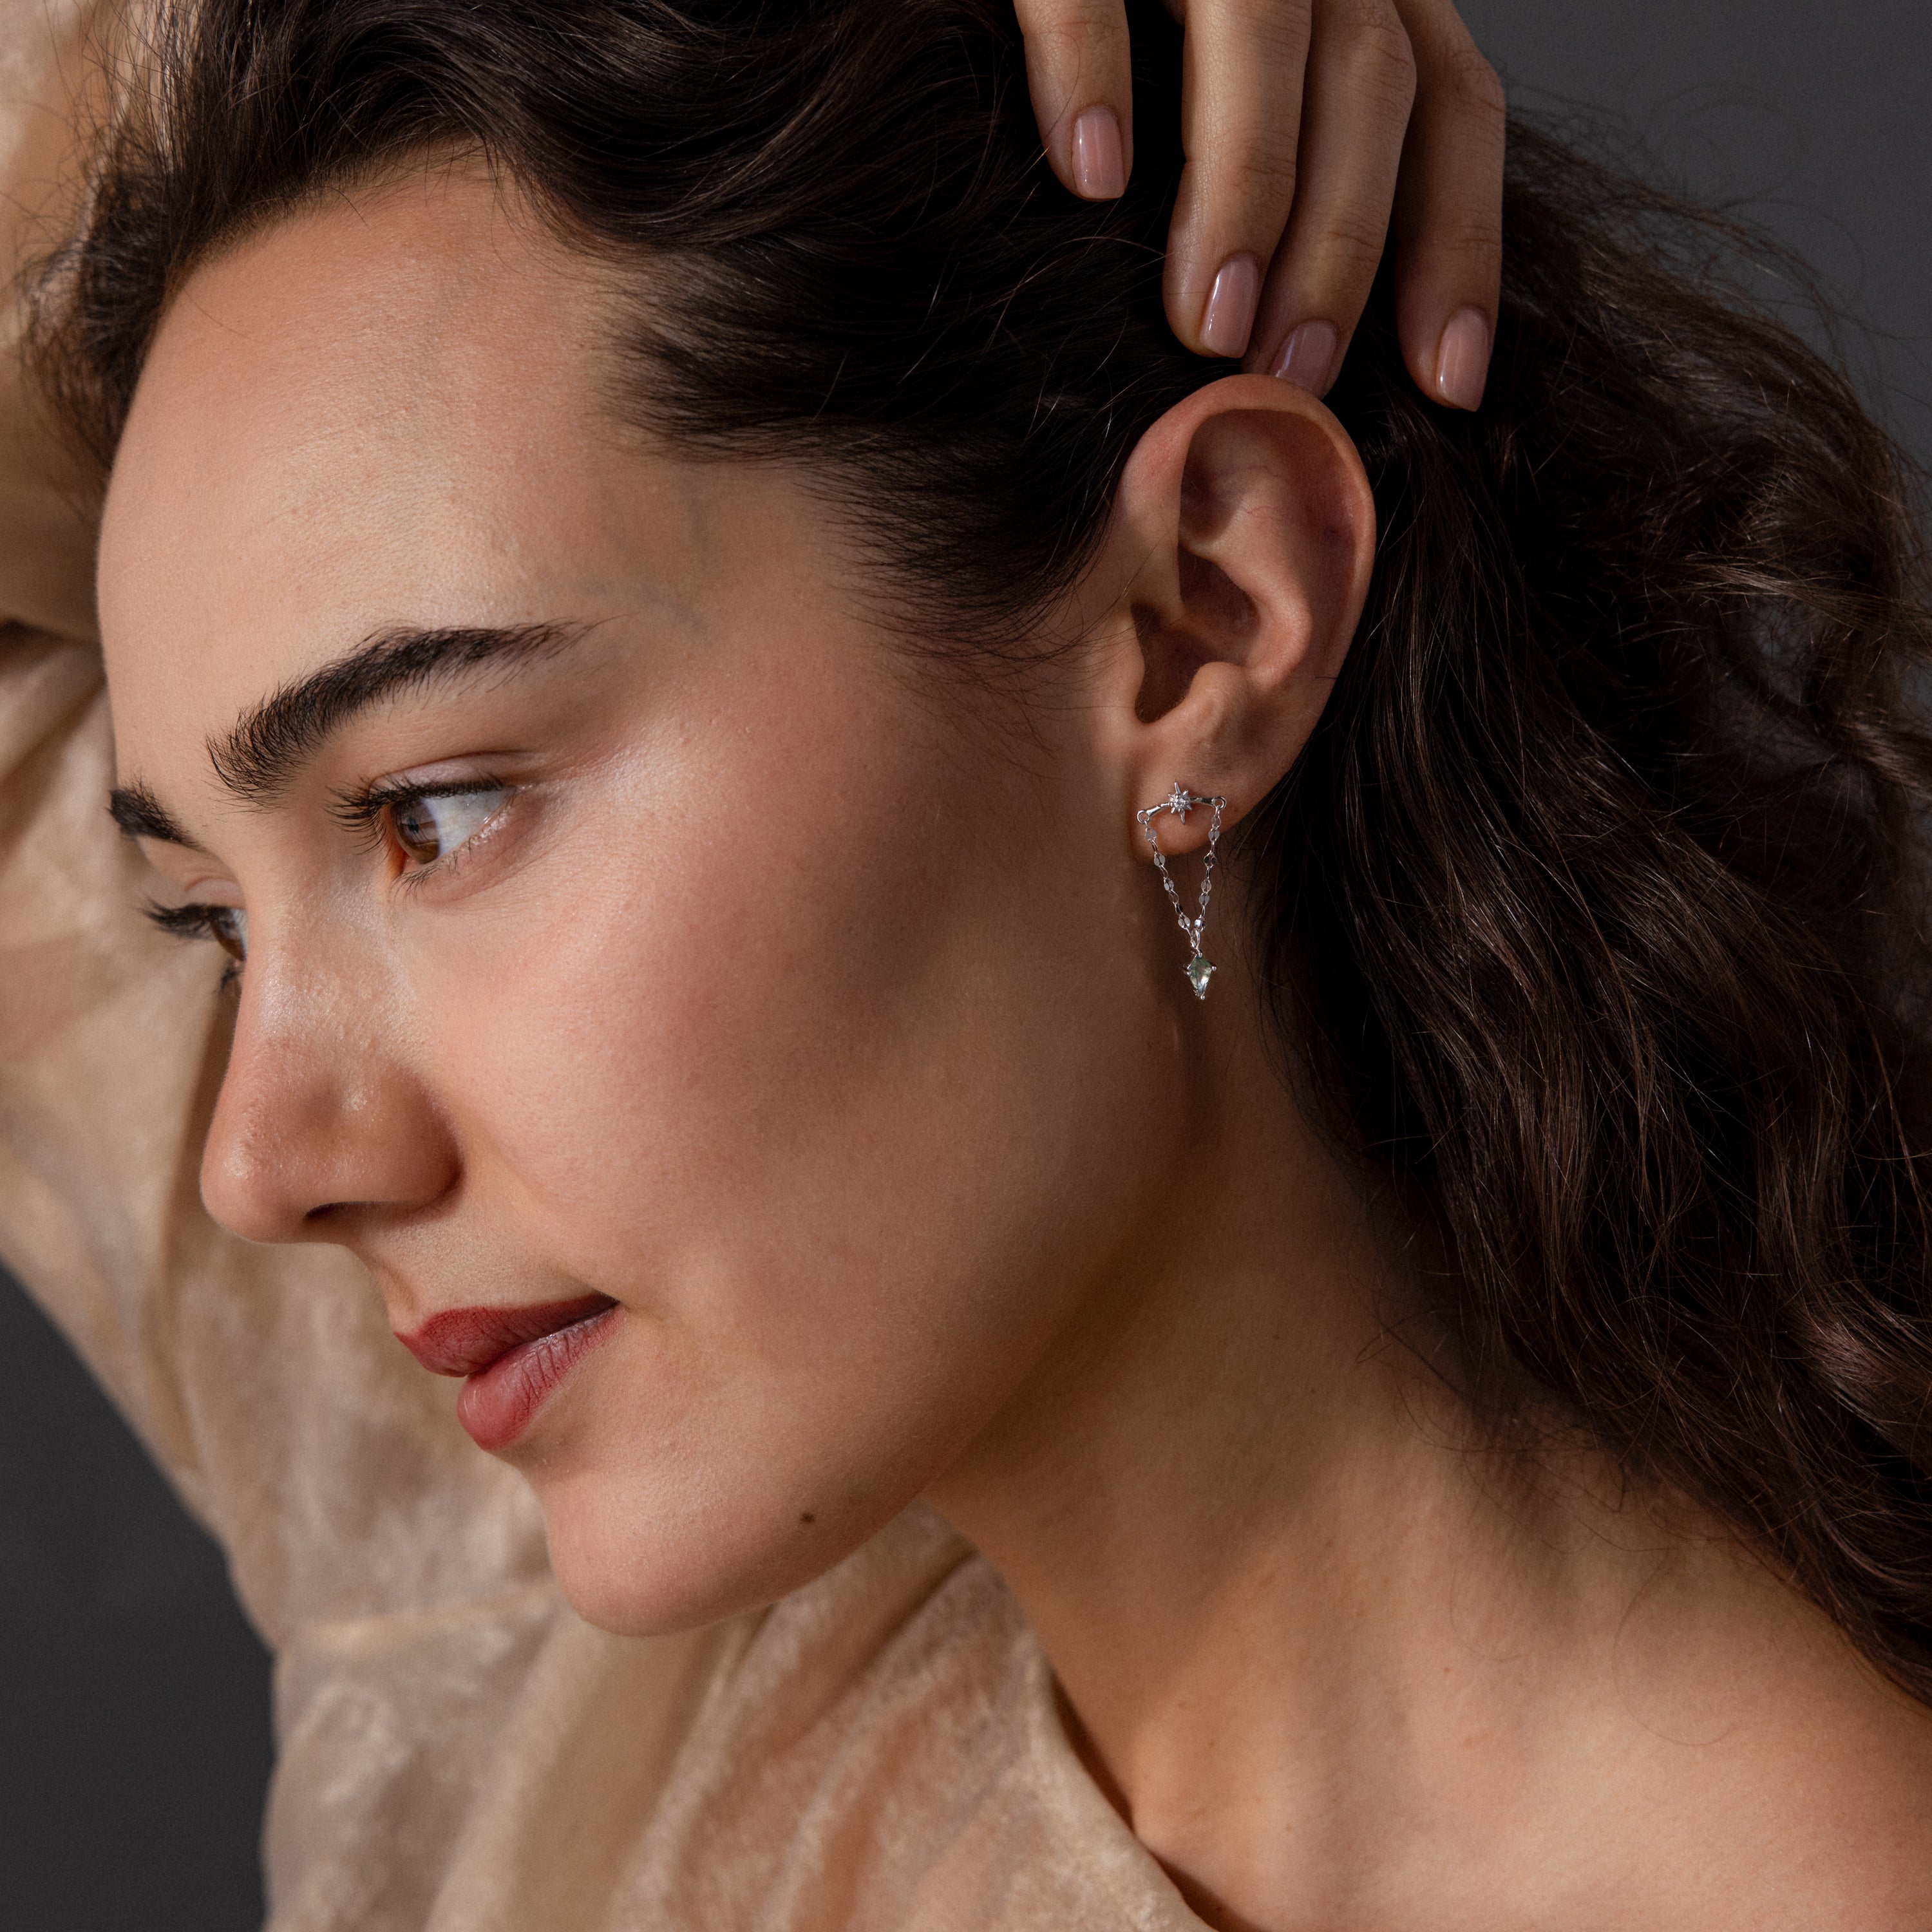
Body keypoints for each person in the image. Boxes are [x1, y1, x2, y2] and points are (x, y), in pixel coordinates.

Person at [4, 1, 1929, 1927]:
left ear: (1200, 627)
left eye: (434, 813)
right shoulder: (552, 1645)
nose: (265, 1161)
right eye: (210, 924)